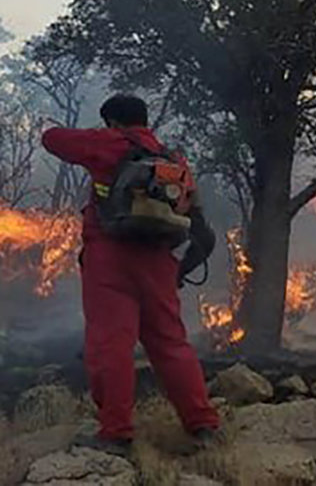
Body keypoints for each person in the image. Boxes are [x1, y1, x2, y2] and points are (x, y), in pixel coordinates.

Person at [42, 94, 220, 456]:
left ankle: (116, 432)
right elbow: (200, 227)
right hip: (159, 260)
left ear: (113, 122)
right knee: (171, 344)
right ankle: (203, 425)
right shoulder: (172, 159)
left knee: (111, 344)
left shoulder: (108, 143)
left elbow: (52, 139)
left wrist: (93, 134)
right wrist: (179, 271)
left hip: (110, 260)